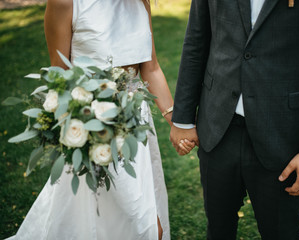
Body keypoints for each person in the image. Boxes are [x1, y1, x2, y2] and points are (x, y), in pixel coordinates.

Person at [170, 0, 299, 239]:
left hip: (286, 136)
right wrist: (183, 120)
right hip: (217, 127)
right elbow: (197, 37)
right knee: (217, 229)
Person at [7, 0, 181, 239]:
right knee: (144, 224)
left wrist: (178, 123)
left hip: (137, 128)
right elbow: (60, 76)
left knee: (133, 220)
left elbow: (150, 68)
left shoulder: (140, 1)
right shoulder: (65, 3)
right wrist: (85, 131)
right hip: (94, 127)